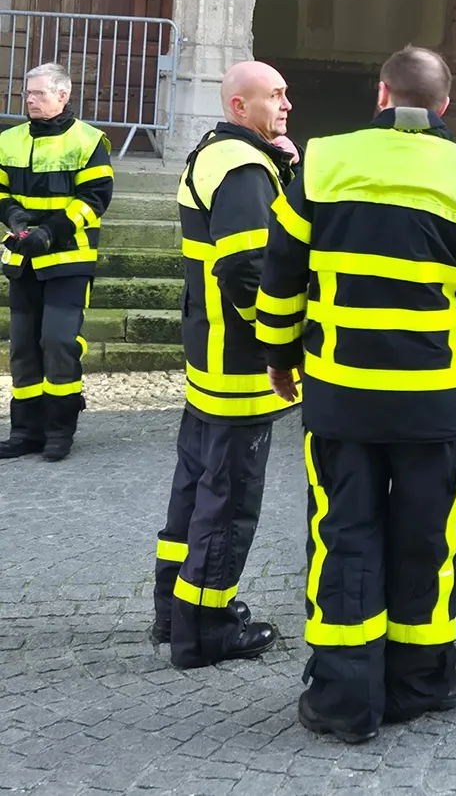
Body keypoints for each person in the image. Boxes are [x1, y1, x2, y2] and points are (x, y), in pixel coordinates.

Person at [257, 45, 456, 744]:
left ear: (382, 94)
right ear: (441, 105)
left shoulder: (320, 162)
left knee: (341, 532)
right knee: (430, 539)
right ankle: (421, 680)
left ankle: (343, 695)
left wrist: (280, 354)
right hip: (434, 402)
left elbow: (281, 273)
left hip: (341, 394)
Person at [151, 61, 299, 670]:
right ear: (240, 106)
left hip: (209, 351)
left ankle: (174, 611)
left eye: (287, 93)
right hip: (239, 361)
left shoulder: (220, 153)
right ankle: (207, 629)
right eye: (274, 95)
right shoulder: (242, 168)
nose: (287, 104)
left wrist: (285, 168)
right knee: (230, 498)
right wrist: (278, 344)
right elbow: (246, 268)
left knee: (195, 488)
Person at [0, 63, 113, 462]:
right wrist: (12, 219)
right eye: (27, 93)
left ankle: (59, 430)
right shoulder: (8, 139)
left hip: (69, 258)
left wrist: (52, 231)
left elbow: (96, 197)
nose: (30, 100)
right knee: (23, 348)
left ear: (63, 96)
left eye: (39, 94)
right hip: (22, 257)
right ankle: (25, 431)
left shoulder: (88, 140)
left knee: (59, 341)